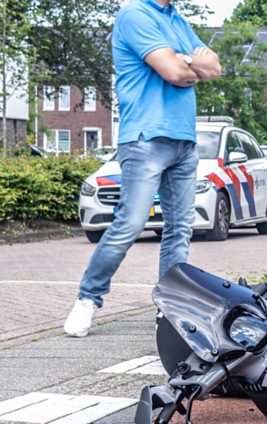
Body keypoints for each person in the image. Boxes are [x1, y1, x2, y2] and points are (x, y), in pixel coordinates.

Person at [63, 0, 221, 337]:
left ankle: (170, 311)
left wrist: (185, 60)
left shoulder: (177, 19)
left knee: (180, 229)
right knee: (131, 223)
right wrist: (189, 64)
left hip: (183, 139)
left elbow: (216, 67)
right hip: (144, 138)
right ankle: (88, 298)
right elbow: (175, 73)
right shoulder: (135, 13)